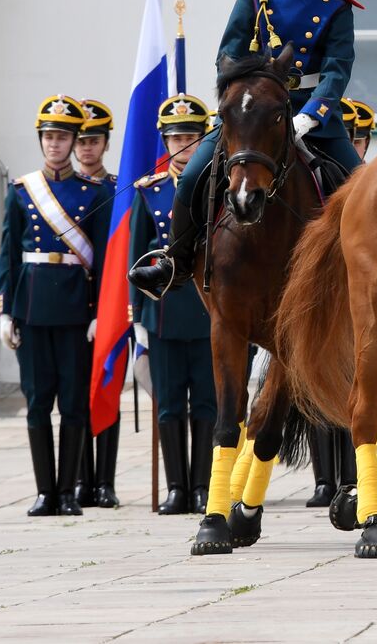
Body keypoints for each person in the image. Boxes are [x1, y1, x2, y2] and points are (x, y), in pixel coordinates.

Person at [129, 0, 362, 299]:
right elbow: (226, 57)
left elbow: (338, 71)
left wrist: (310, 115)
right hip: (252, 113)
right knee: (194, 173)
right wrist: (250, 92)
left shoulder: (337, 6)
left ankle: (373, 277)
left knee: (362, 188)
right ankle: (175, 260)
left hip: (311, 117)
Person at [0, 95, 110, 516]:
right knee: (38, 400)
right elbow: (8, 255)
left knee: (74, 402)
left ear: (75, 140)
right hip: (32, 307)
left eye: (62, 137)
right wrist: (4, 310)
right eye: (49, 137)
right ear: (41, 140)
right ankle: (45, 492)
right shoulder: (23, 191)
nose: (55, 145)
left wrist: (100, 313)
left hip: (77, 310)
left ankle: (67, 492)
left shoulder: (93, 192)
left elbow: (103, 260)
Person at [129, 93, 217, 514]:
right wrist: (137, 319)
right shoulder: (149, 192)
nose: (182, 144)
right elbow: (135, 259)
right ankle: (176, 488)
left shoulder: (215, 186)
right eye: (175, 137)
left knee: (205, 401)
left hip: (206, 310)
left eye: (190, 136)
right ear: (164, 142)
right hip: (162, 311)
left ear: (204, 138)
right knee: (168, 404)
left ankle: (201, 486)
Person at [72, 99, 120, 509]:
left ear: (106, 144)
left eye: (94, 141)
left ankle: (104, 480)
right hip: (72, 307)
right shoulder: (63, 191)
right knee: (74, 395)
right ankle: (79, 479)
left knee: (106, 389)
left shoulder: (116, 191)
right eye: (81, 141)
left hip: (107, 306)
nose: (87, 149)